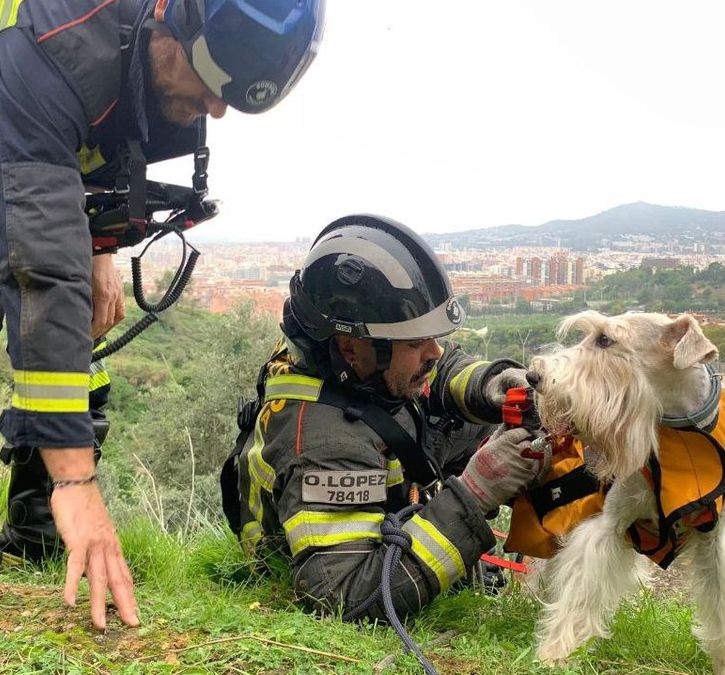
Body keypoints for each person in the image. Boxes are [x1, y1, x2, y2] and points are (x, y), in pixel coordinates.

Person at [0, 0, 324, 630]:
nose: (217, 107)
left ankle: (35, 513)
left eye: (233, 95)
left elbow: (91, 154)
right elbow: (39, 260)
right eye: (210, 78)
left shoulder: (153, 55)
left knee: (83, 307)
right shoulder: (54, 38)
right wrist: (77, 482)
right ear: (169, 18)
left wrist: (102, 246)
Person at [223, 214, 548, 621]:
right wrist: (477, 492)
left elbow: (438, 371)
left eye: (434, 337)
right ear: (351, 348)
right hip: (356, 559)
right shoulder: (328, 446)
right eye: (415, 342)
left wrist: (489, 384)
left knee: (474, 414)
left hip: (384, 481)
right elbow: (345, 596)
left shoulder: (344, 361)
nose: (433, 352)